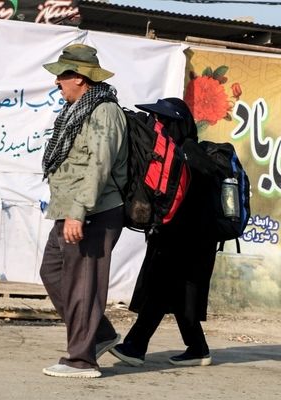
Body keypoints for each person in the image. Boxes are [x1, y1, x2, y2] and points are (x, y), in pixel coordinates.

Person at [110, 97, 221, 367]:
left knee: (160, 290)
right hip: (188, 240)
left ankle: (135, 347)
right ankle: (197, 348)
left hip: (185, 240)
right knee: (179, 296)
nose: (157, 125)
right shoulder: (183, 152)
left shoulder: (188, 155)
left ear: (176, 124)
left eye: (163, 120)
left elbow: (192, 202)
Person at [38, 44, 128, 378]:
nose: (57, 82)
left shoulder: (104, 111)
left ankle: (82, 359)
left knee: (84, 285)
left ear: (79, 77)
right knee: (53, 273)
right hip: (68, 209)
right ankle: (100, 334)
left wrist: (79, 212)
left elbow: (98, 165)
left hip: (93, 212)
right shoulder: (77, 110)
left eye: (62, 75)